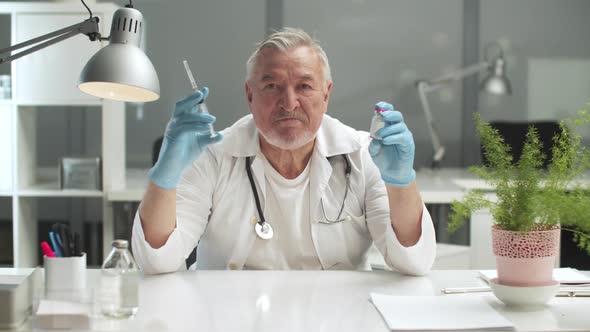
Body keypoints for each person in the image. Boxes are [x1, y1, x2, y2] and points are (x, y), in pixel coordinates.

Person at [131, 27, 436, 274]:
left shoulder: (362, 154)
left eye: (304, 86)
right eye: (272, 86)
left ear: (326, 94)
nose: (289, 103)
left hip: (336, 317)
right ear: (250, 95)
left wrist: (401, 181)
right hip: (229, 316)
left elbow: (413, 261)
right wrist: (164, 174)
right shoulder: (214, 155)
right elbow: (157, 262)